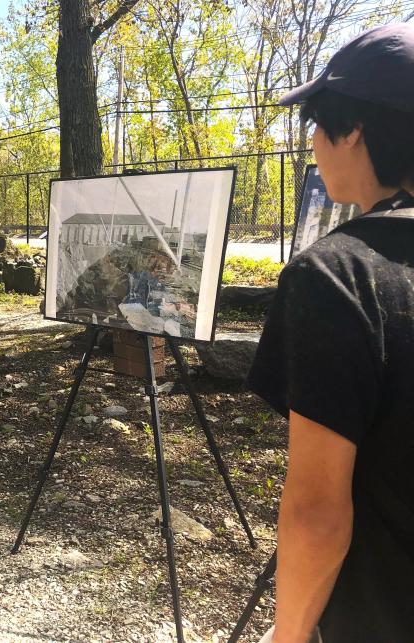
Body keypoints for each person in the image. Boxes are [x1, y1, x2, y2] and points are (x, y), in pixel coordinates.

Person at [246, 23, 414, 643]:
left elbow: (318, 511)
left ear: (356, 132)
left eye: (319, 125)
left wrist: (288, 635)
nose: (314, 143)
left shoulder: (338, 276)